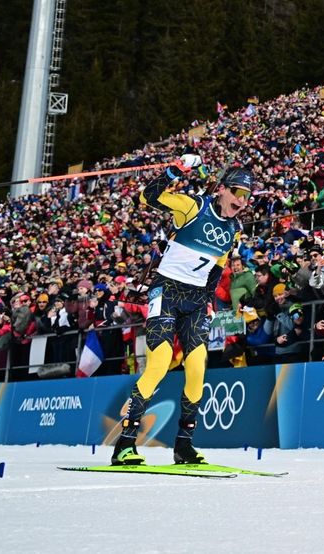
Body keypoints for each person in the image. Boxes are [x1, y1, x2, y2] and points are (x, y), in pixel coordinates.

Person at [112, 157, 253, 466]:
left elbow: (217, 267)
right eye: (238, 193)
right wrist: (175, 170)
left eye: (247, 196)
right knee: (160, 363)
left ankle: (184, 446)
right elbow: (147, 197)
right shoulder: (192, 207)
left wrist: (209, 301)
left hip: (195, 301)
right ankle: (124, 443)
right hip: (167, 292)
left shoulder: (234, 229)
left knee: (197, 368)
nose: (242, 201)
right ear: (222, 189)